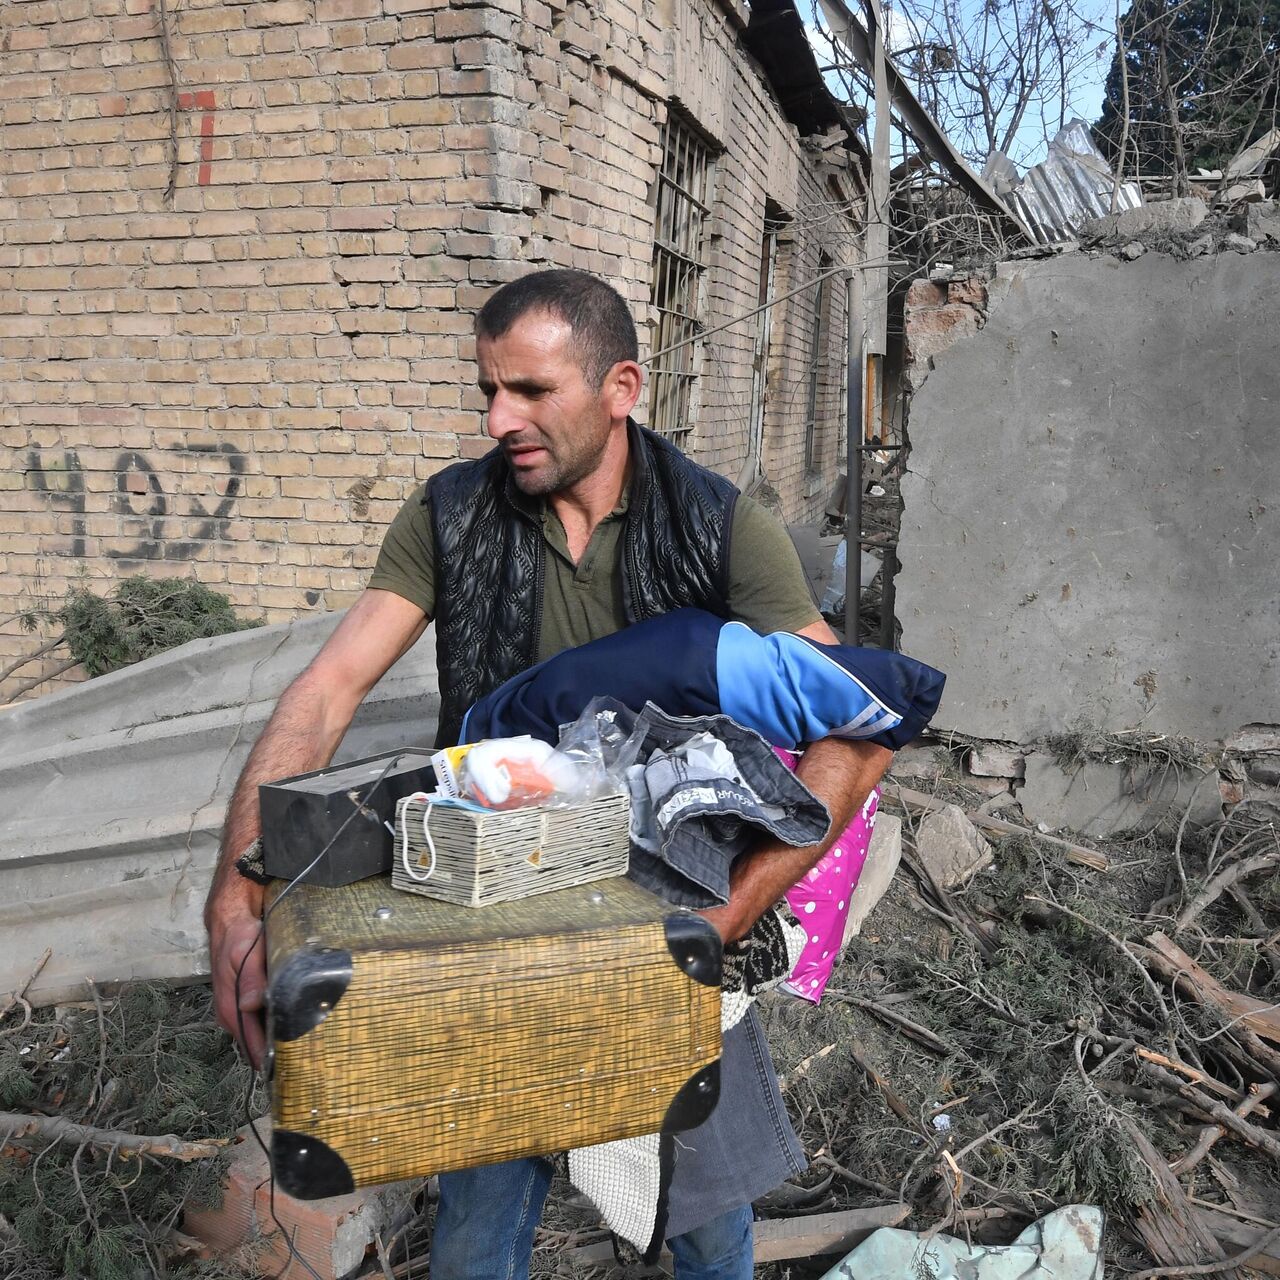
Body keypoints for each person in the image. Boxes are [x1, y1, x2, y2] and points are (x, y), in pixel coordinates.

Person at [204, 269, 891, 1279]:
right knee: (478, 1230)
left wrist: (734, 912)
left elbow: (855, 731)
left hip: (667, 933)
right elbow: (324, 690)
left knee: (705, 1223)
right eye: (487, 389)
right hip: (487, 929)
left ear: (620, 387)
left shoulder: (718, 525)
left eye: (529, 390)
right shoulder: (448, 516)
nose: (497, 418)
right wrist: (235, 890)